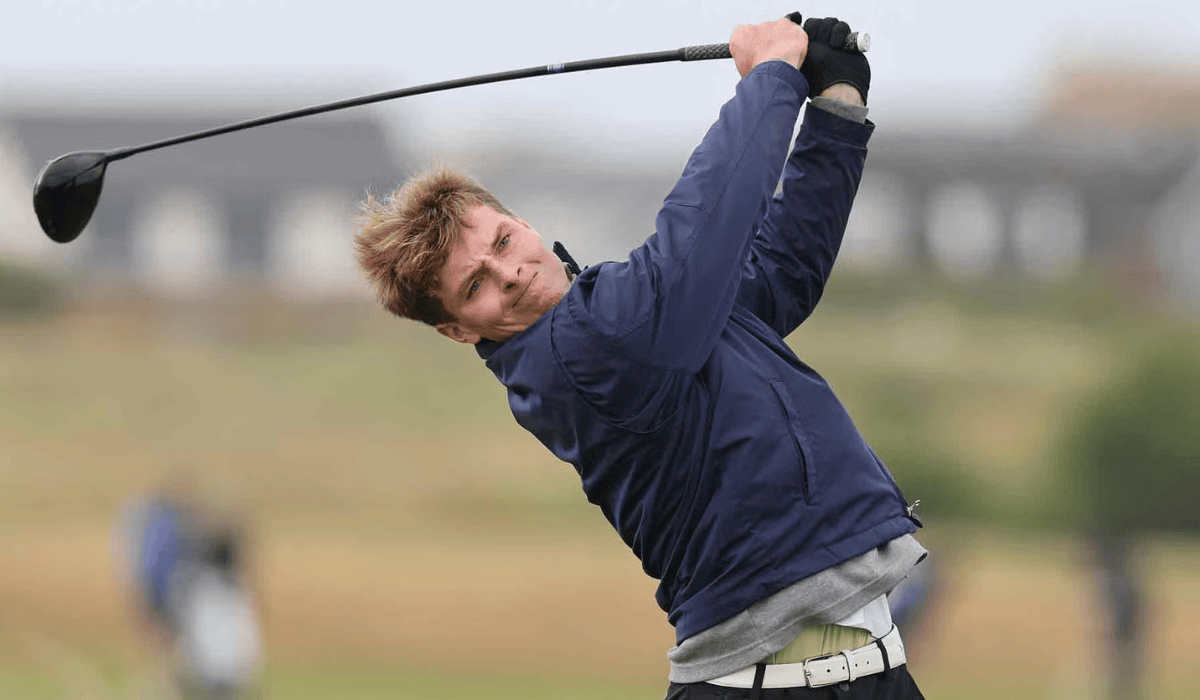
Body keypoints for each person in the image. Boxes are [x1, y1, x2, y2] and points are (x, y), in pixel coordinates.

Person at [355, 13, 927, 699]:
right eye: (474, 284)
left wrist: (835, 112)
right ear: (456, 330)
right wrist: (772, 74)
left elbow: (777, 277)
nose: (505, 273)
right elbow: (700, 228)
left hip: (869, 673)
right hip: (764, 686)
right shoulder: (579, 351)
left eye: (502, 243)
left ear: (527, 226)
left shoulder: (638, 318)